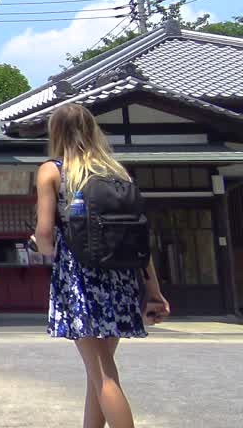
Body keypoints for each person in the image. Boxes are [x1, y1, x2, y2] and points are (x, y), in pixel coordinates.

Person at [32, 104, 169, 428]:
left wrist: (41, 246)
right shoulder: (116, 172)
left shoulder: (53, 171)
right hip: (121, 280)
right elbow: (138, 240)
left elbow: (45, 234)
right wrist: (154, 292)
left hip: (82, 282)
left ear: (56, 132)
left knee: (104, 375)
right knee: (99, 373)